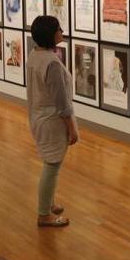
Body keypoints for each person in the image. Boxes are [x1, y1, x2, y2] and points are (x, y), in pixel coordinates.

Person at [26, 16, 79, 227]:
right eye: (59, 29)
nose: (62, 31)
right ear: (51, 34)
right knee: (52, 166)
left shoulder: (35, 55)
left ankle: (49, 203)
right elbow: (62, 102)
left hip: (39, 116)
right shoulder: (51, 63)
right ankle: (43, 214)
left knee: (51, 163)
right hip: (52, 121)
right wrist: (72, 129)